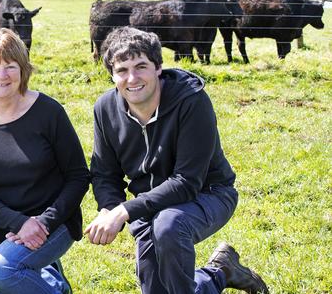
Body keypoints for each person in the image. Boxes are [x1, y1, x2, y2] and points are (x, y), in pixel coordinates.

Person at [84, 26, 269, 294]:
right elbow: (104, 172)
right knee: (156, 285)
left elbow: (186, 182)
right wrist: (108, 207)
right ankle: (220, 272)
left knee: (169, 226)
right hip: (149, 206)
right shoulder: (105, 108)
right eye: (122, 70)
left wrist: (123, 211)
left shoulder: (191, 101)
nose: (132, 78)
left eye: (141, 66)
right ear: (112, 75)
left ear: (158, 67)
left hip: (209, 193)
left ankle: (217, 271)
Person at [0, 28, 90, 294]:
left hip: (56, 222)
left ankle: (49, 276)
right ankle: (53, 281)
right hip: (6, 229)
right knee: (14, 277)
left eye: (10, 66)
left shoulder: (49, 112)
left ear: (23, 71)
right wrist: (19, 224)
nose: (2, 75)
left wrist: (43, 222)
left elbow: (78, 176)